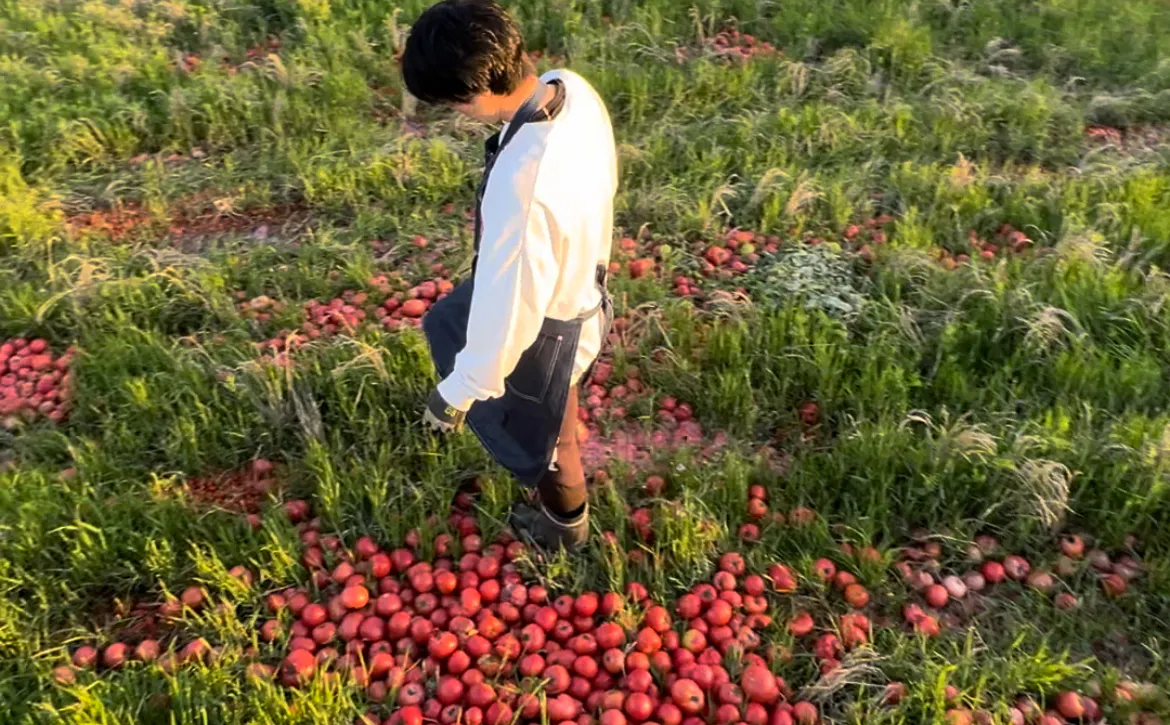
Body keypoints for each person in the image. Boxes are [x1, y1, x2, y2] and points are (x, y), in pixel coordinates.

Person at [400, 0, 618, 550]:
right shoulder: (569, 88)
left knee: (549, 441)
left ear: (469, 95)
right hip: (583, 276)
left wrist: (458, 392)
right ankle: (560, 510)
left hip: (554, 322)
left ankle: (564, 529)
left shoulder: (523, 187)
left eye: (451, 105)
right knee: (454, 323)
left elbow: (510, 316)